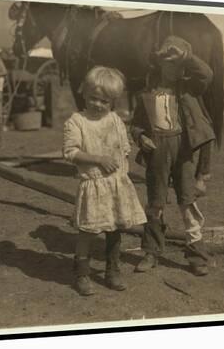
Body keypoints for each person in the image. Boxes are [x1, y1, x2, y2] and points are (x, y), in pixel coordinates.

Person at [131, 35, 216, 276]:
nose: (173, 68)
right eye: (168, 63)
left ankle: (197, 254)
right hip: (157, 149)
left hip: (183, 149)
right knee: (156, 202)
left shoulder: (189, 88)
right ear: (159, 64)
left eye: (178, 64)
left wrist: (188, 57)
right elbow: (136, 124)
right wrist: (140, 137)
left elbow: (207, 75)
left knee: (187, 201)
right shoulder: (146, 94)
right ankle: (151, 251)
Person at [63, 66, 147, 296]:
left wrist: (123, 163)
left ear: (112, 102)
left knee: (115, 229)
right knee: (87, 231)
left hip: (116, 185)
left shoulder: (115, 120)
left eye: (104, 101)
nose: (98, 104)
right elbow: (70, 152)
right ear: (84, 93)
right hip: (93, 184)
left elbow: (124, 147)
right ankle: (81, 273)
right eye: (93, 98)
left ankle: (113, 270)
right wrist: (98, 159)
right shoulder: (77, 121)